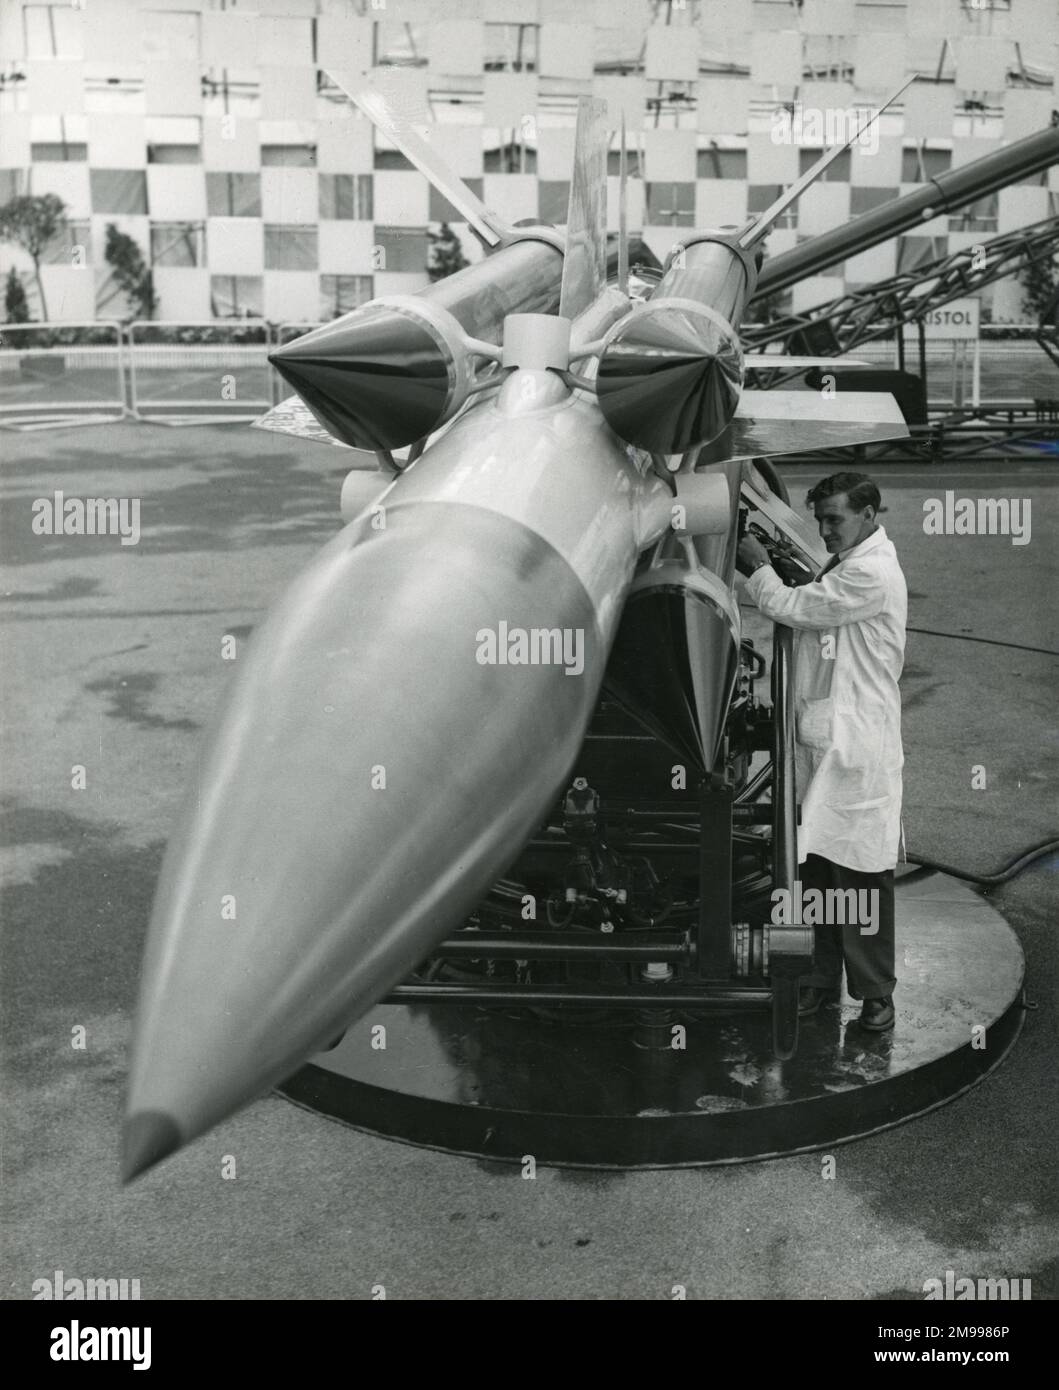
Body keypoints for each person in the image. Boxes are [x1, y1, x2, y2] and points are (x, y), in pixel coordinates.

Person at [736, 471, 907, 1032]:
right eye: (820, 518)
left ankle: (876, 994)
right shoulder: (848, 564)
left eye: (834, 518)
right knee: (810, 870)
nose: (824, 529)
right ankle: (815, 982)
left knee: (858, 875)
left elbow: (798, 608)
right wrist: (786, 569)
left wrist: (757, 564)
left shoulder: (871, 573)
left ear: (870, 514)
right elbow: (810, 596)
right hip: (824, 744)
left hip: (854, 750)